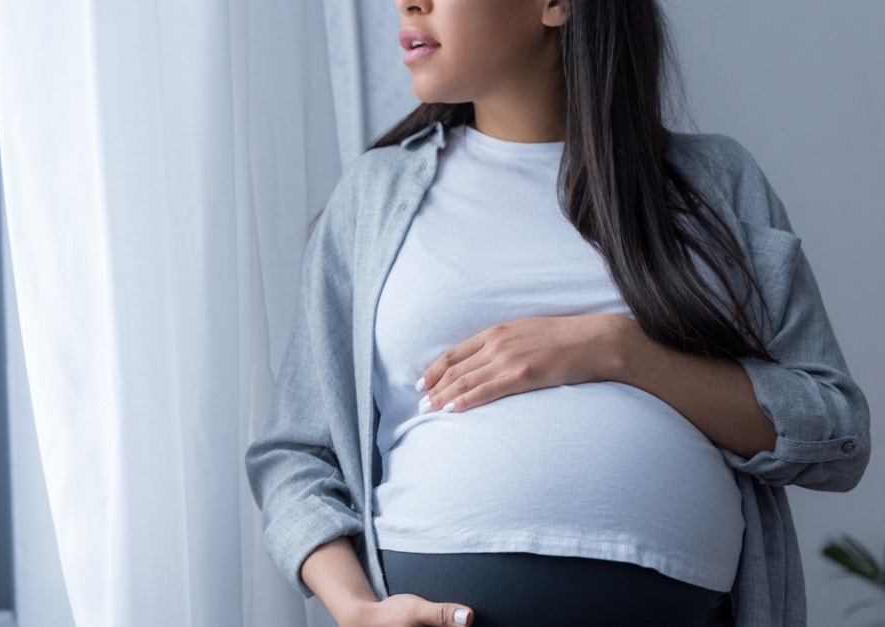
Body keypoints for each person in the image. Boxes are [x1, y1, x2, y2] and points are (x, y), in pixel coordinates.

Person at [244, 0, 871, 625]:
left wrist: (617, 350)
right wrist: (355, 609)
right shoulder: (376, 195)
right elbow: (299, 454)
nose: (410, 3)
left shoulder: (716, 182)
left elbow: (836, 433)